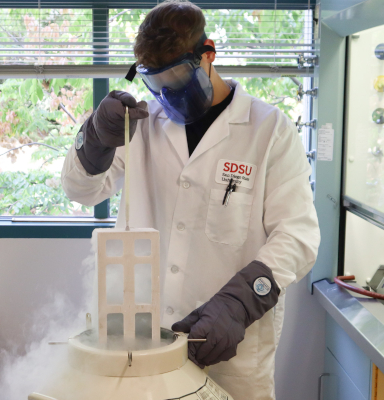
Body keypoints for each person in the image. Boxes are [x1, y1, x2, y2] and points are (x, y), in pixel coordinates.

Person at [61, 1, 320, 398]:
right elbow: (82, 191)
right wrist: (95, 136)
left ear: (208, 54)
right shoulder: (142, 126)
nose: (168, 92)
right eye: (156, 80)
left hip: (230, 351)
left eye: (179, 75)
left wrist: (238, 303)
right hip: (143, 343)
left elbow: (298, 236)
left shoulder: (269, 130)